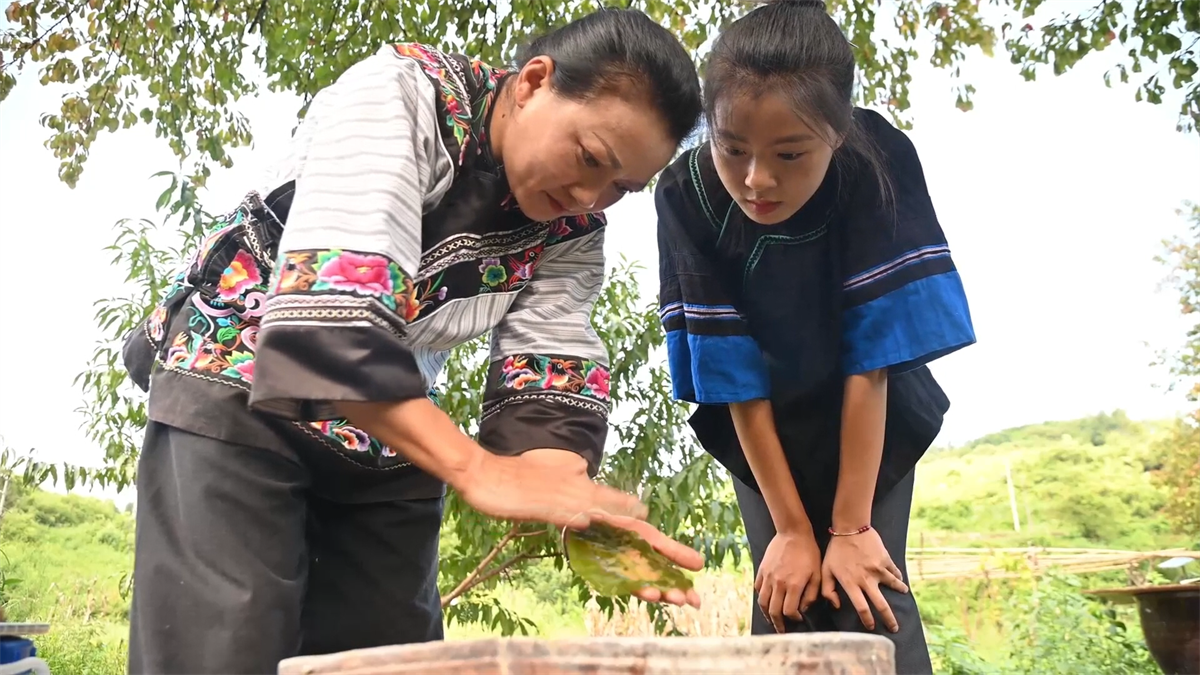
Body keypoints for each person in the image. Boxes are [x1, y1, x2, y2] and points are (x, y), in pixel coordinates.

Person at [121, 8, 705, 674]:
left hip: (388, 422)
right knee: (221, 646)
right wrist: (477, 467)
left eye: (621, 188)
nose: (588, 196)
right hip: (238, 378)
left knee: (390, 655)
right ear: (534, 82)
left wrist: (558, 473)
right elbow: (332, 316)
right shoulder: (403, 95)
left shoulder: (572, 227)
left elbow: (551, 355)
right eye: (589, 158)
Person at [654, 0, 976, 671]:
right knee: (787, 593)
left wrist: (850, 527)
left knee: (868, 596)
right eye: (731, 148)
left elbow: (874, 354)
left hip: (872, 402)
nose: (756, 179)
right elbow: (731, 369)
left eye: (789, 153)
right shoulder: (685, 190)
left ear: (837, 133)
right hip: (759, 414)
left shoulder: (876, 157)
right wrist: (795, 529)